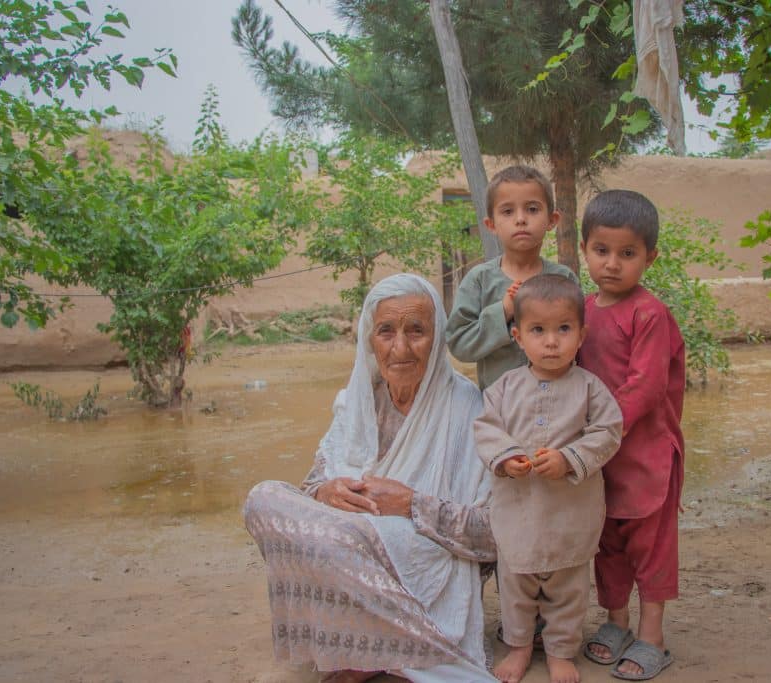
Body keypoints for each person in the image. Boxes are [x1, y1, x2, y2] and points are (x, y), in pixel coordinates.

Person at [243, 274, 498, 683]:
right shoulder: (357, 400)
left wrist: (412, 503)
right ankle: (373, 645)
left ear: (437, 339)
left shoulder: (467, 407)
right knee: (263, 498)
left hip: (421, 553)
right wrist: (326, 491)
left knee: (339, 540)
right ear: (368, 339)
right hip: (349, 542)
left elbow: (493, 535)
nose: (400, 347)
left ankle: (386, 651)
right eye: (386, 331)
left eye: (416, 330)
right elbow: (311, 486)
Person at [474, 274, 622, 683]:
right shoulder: (504, 389)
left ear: (581, 334)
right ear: (519, 337)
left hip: (570, 515)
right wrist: (505, 459)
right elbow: (486, 429)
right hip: (518, 513)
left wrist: (570, 459)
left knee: (569, 590)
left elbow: (608, 431)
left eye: (563, 329)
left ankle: (560, 652)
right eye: (538, 330)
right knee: (516, 589)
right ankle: (519, 648)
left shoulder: (590, 389)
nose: (551, 341)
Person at [577, 190, 686, 681]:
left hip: (647, 458)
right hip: (603, 459)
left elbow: (644, 388)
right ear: (584, 250)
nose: (613, 264)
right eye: (602, 251)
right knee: (609, 544)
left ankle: (653, 637)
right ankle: (615, 623)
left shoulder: (649, 313)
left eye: (627, 254)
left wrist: (596, 432)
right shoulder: (581, 310)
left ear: (650, 257)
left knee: (651, 548)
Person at [447, 165, 579, 390]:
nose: (520, 219)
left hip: (557, 407)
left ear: (552, 220)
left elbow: (578, 340)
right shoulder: (480, 280)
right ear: (491, 225)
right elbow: (459, 344)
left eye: (532, 209)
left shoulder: (563, 278)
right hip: (499, 413)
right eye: (507, 211)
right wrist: (504, 311)